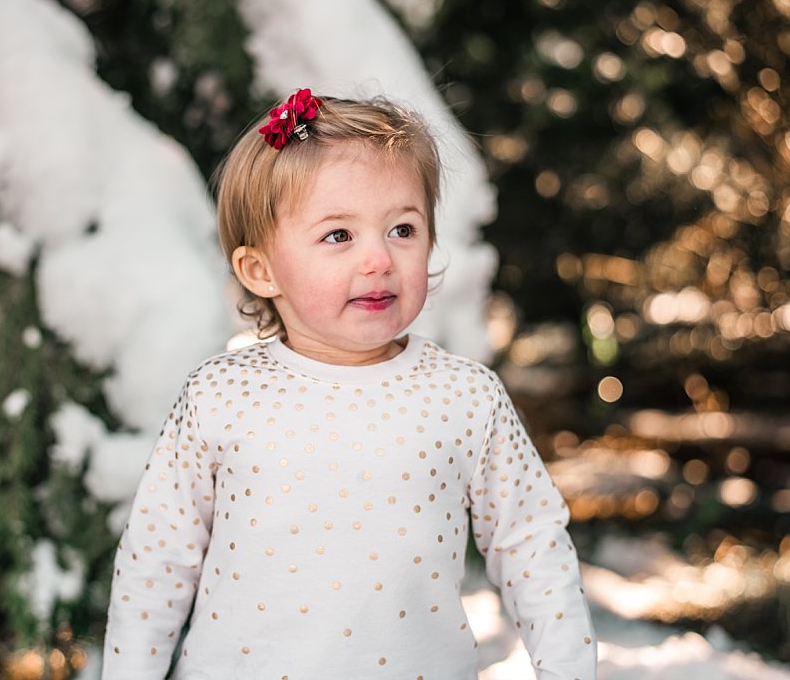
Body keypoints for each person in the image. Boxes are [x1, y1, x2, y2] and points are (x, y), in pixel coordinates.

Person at [102, 89, 597, 679]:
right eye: (339, 236)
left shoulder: (465, 397)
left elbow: (532, 548)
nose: (379, 260)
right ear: (260, 271)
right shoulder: (221, 397)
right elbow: (155, 565)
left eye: (402, 229)